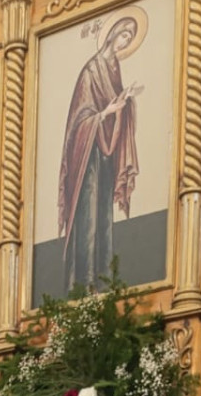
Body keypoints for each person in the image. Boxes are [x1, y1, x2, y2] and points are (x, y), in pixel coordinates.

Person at [57, 17, 143, 294]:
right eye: (123, 36)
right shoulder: (91, 70)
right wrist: (105, 113)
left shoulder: (114, 69)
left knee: (103, 214)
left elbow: (114, 105)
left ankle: (104, 278)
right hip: (87, 157)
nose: (124, 42)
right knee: (89, 214)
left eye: (129, 39)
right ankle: (85, 279)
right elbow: (80, 119)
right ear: (112, 34)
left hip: (106, 155)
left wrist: (126, 102)